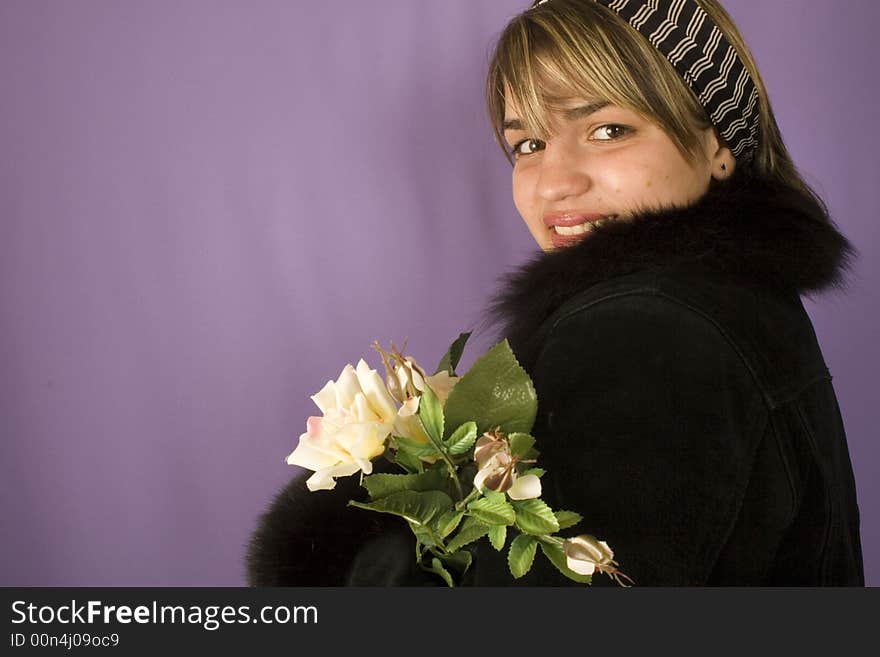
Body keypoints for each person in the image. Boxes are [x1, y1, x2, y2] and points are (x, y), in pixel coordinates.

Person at [245, 0, 864, 586]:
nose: (555, 184)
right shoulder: (729, 301)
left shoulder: (646, 331)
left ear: (716, 145)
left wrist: (361, 557)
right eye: (529, 145)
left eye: (609, 129)